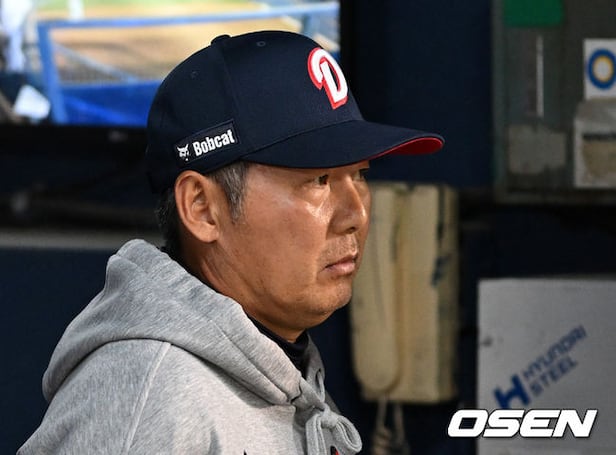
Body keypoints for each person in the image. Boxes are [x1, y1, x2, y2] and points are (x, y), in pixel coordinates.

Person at [18, 30, 443, 454]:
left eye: (360, 175)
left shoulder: (283, 368)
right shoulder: (151, 401)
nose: (357, 215)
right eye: (319, 179)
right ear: (202, 208)